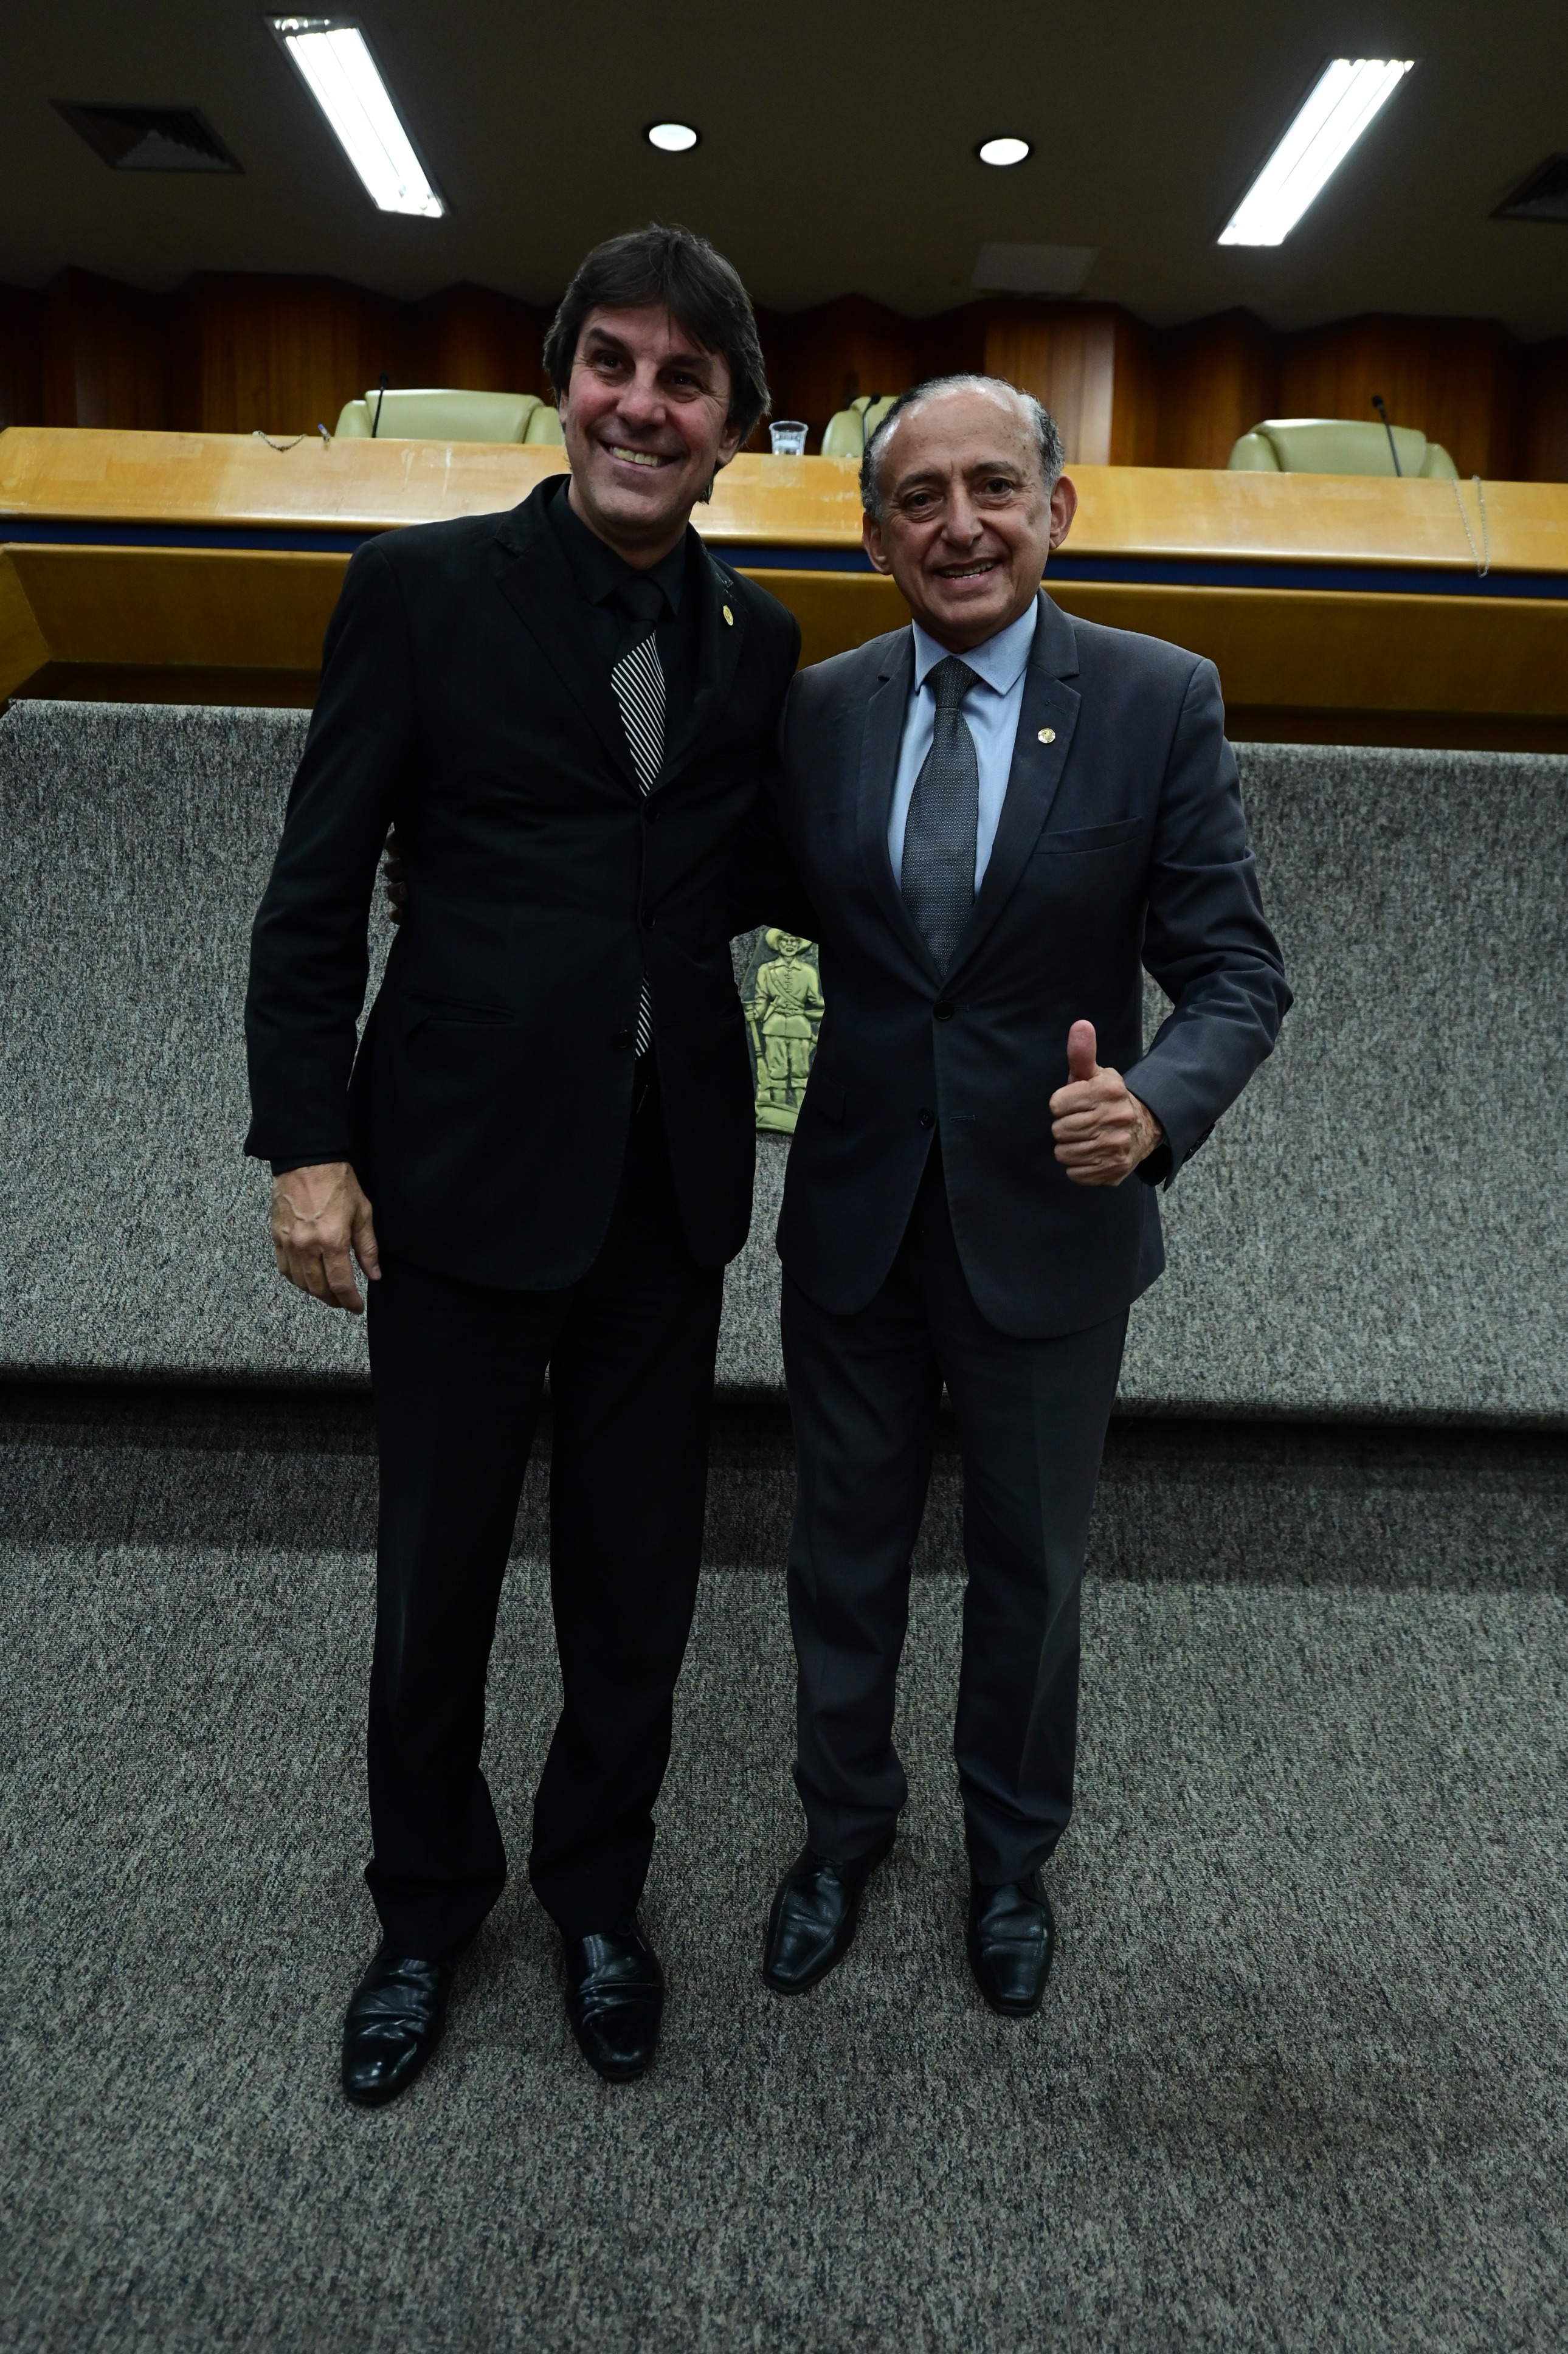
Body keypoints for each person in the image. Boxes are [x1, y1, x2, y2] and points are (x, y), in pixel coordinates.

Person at [244, 224, 800, 2098]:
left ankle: (595, 1896)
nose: (642, 405)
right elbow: (316, 891)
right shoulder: (418, 592)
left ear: (732, 425)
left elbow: (755, 876)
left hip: (664, 1187)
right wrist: (306, 1148)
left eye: (684, 379)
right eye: (612, 364)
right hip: (458, 1173)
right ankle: (422, 1909)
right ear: (562, 385)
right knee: (439, 1578)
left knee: (636, 1586)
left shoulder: (757, 641)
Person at [747, 374, 1291, 2017]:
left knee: (1029, 1568)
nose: (959, 525)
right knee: (838, 1555)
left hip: (1052, 1220)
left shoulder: (1153, 697)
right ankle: (841, 1832)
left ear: (1057, 510)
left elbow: (1235, 975)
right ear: (873, 537)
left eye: (993, 488)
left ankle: (1008, 1858)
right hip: (855, 1214)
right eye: (918, 499)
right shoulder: (814, 708)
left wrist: (1156, 1107)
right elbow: (722, 891)